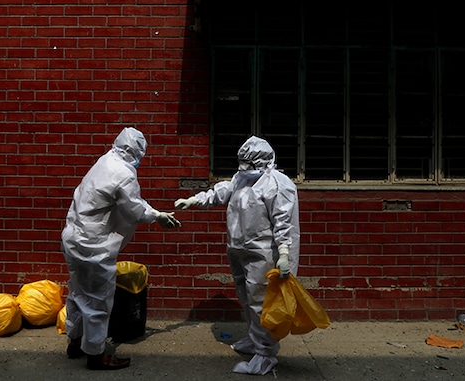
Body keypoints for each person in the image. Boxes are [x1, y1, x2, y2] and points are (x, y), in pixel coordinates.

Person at [174, 136, 300, 375]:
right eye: (242, 163)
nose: (244, 168)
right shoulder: (241, 179)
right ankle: (255, 340)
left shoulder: (278, 184)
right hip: (239, 249)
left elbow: (283, 223)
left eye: (248, 164)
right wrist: (193, 200)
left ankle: (265, 353)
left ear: (262, 161)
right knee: (246, 297)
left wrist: (284, 252)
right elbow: (220, 193)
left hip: (263, 253)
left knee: (261, 303)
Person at [61, 127, 181, 370]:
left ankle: (74, 342)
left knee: (78, 292)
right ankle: (96, 355)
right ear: (137, 151)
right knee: (98, 301)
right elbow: (133, 209)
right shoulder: (125, 173)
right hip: (93, 246)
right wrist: (157, 217)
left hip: (73, 238)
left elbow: (125, 200)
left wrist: (154, 212)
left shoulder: (105, 160)